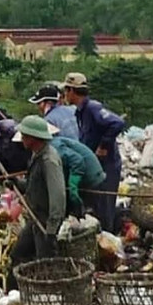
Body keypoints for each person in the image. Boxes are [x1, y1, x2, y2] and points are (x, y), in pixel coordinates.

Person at [63, 72, 125, 232]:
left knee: (105, 206)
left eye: (66, 91)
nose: (64, 95)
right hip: (95, 166)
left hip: (107, 165)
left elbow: (117, 122)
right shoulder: (80, 112)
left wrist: (104, 145)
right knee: (95, 205)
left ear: (71, 91)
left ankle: (109, 241)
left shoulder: (93, 108)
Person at [9, 116, 67, 288]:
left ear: (34, 138)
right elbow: (34, 185)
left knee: (46, 264)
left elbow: (58, 196)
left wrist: (52, 228)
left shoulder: (49, 160)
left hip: (45, 220)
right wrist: (18, 185)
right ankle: (15, 294)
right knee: (18, 254)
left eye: (25, 136)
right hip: (35, 217)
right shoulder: (37, 155)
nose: (23, 139)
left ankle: (49, 296)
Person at [13, 127, 107, 217]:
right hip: (76, 177)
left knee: (87, 216)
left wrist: (73, 185)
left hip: (90, 179)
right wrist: (18, 183)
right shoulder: (37, 154)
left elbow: (77, 161)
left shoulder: (54, 149)